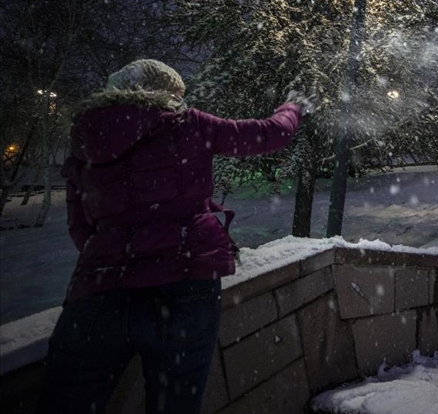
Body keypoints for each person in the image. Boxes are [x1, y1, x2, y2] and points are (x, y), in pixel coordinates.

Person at [39, 59, 310, 414]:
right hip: (184, 286)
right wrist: (293, 106)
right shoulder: (187, 125)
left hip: (100, 292)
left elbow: (80, 226)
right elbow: (269, 133)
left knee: (66, 403)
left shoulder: (86, 137)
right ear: (165, 92)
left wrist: (118, 256)